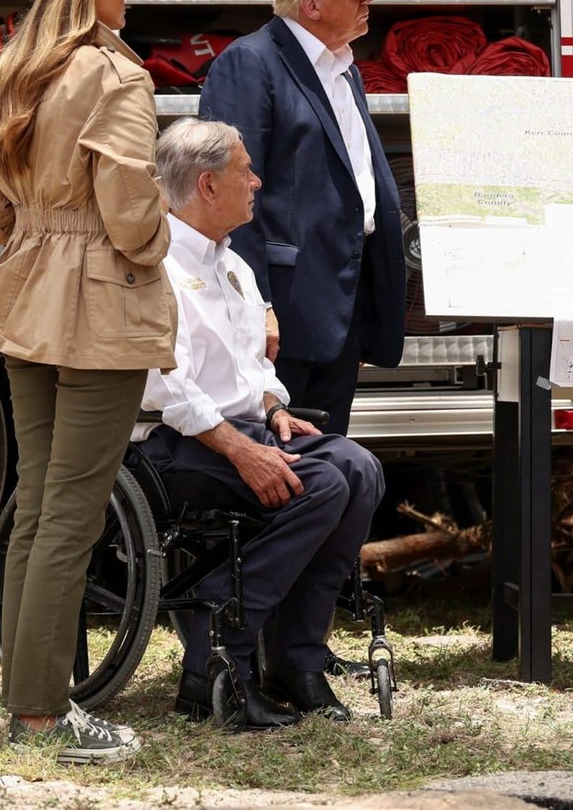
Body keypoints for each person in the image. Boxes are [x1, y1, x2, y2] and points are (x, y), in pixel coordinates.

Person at [0, 0, 172, 761]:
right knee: (71, 511)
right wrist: (155, 245)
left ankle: (31, 702)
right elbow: (130, 211)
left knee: (40, 506)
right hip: (100, 299)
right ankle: (41, 714)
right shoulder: (115, 76)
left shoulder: (6, 77)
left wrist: (45, 227)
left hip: (29, 288)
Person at [136, 117, 386, 726]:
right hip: (172, 442)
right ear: (207, 185)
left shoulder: (234, 265)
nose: (257, 181)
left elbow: (253, 370)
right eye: (244, 171)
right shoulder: (157, 264)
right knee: (319, 484)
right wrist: (241, 450)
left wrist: (275, 410)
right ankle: (215, 656)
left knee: (359, 469)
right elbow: (165, 386)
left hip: (237, 430)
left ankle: (296, 659)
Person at [197, 0, 407, 437]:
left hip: (338, 309)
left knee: (327, 457)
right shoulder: (251, 63)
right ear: (311, 5)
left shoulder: (343, 68)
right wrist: (257, 307)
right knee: (279, 459)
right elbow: (228, 198)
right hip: (284, 317)